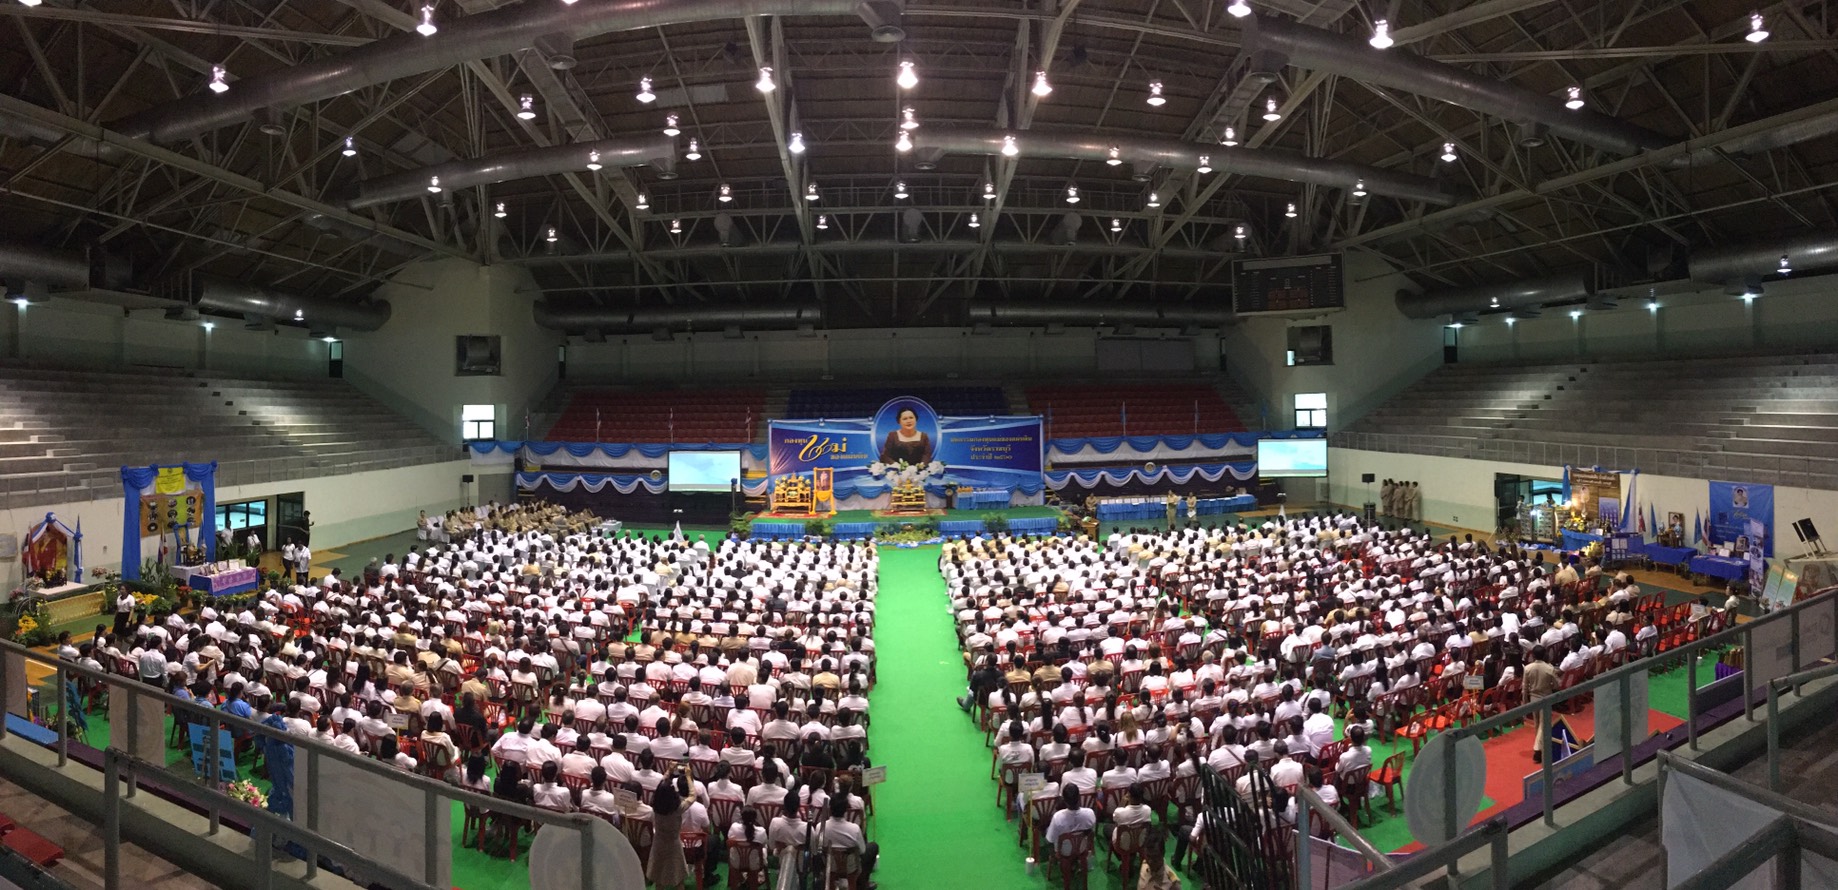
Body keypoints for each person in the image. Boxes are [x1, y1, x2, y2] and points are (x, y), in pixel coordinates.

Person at [648, 765, 697, 890]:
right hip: (673, 845)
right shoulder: (677, 809)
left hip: (658, 843)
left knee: (659, 880)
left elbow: (660, 787)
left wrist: (669, 771)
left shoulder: (655, 805)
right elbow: (692, 795)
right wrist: (688, 776)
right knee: (678, 880)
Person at [1523, 646, 1560, 763]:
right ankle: (1538, 749)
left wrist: (1525, 703)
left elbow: (1524, 688)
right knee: (1543, 725)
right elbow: (1556, 685)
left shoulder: (1528, 668)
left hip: (1533, 698)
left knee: (1538, 724)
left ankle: (1539, 750)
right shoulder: (1549, 668)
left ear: (1533, 656)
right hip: (1546, 697)